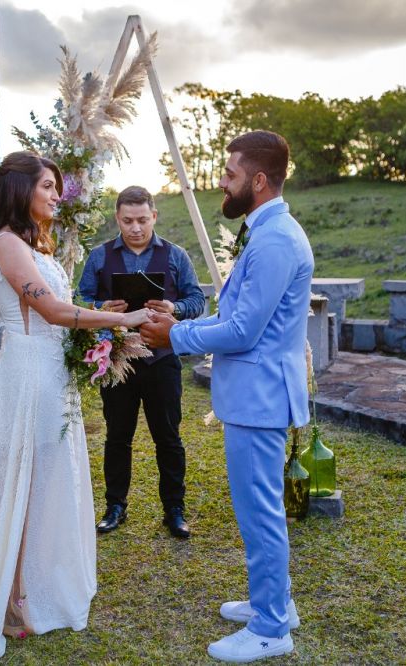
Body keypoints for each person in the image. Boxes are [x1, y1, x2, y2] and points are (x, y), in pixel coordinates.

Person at [0, 151, 152, 659]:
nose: (54, 196)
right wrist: (122, 322)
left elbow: (62, 311)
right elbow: (52, 310)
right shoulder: (5, 243)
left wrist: (99, 317)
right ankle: (15, 598)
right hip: (29, 376)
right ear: (21, 191)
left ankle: (39, 584)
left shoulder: (30, 244)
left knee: (48, 478)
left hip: (51, 374)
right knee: (25, 479)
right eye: (46, 187)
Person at [140, 131, 313, 663]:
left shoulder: (276, 240)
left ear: (259, 182)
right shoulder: (264, 231)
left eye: (231, 173)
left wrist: (175, 338)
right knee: (255, 509)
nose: (222, 181)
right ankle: (274, 602)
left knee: (260, 513)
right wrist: (183, 318)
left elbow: (243, 332)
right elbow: (233, 313)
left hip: (260, 396)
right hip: (253, 393)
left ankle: (270, 628)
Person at [77, 186, 206, 539]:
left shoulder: (176, 255)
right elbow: (80, 298)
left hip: (162, 360)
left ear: (154, 217)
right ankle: (115, 507)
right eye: (128, 220)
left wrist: (174, 308)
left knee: (168, 437)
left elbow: (198, 300)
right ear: (117, 218)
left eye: (143, 220)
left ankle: (174, 510)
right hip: (117, 362)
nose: (135, 228)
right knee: (118, 436)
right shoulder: (100, 257)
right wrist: (101, 309)